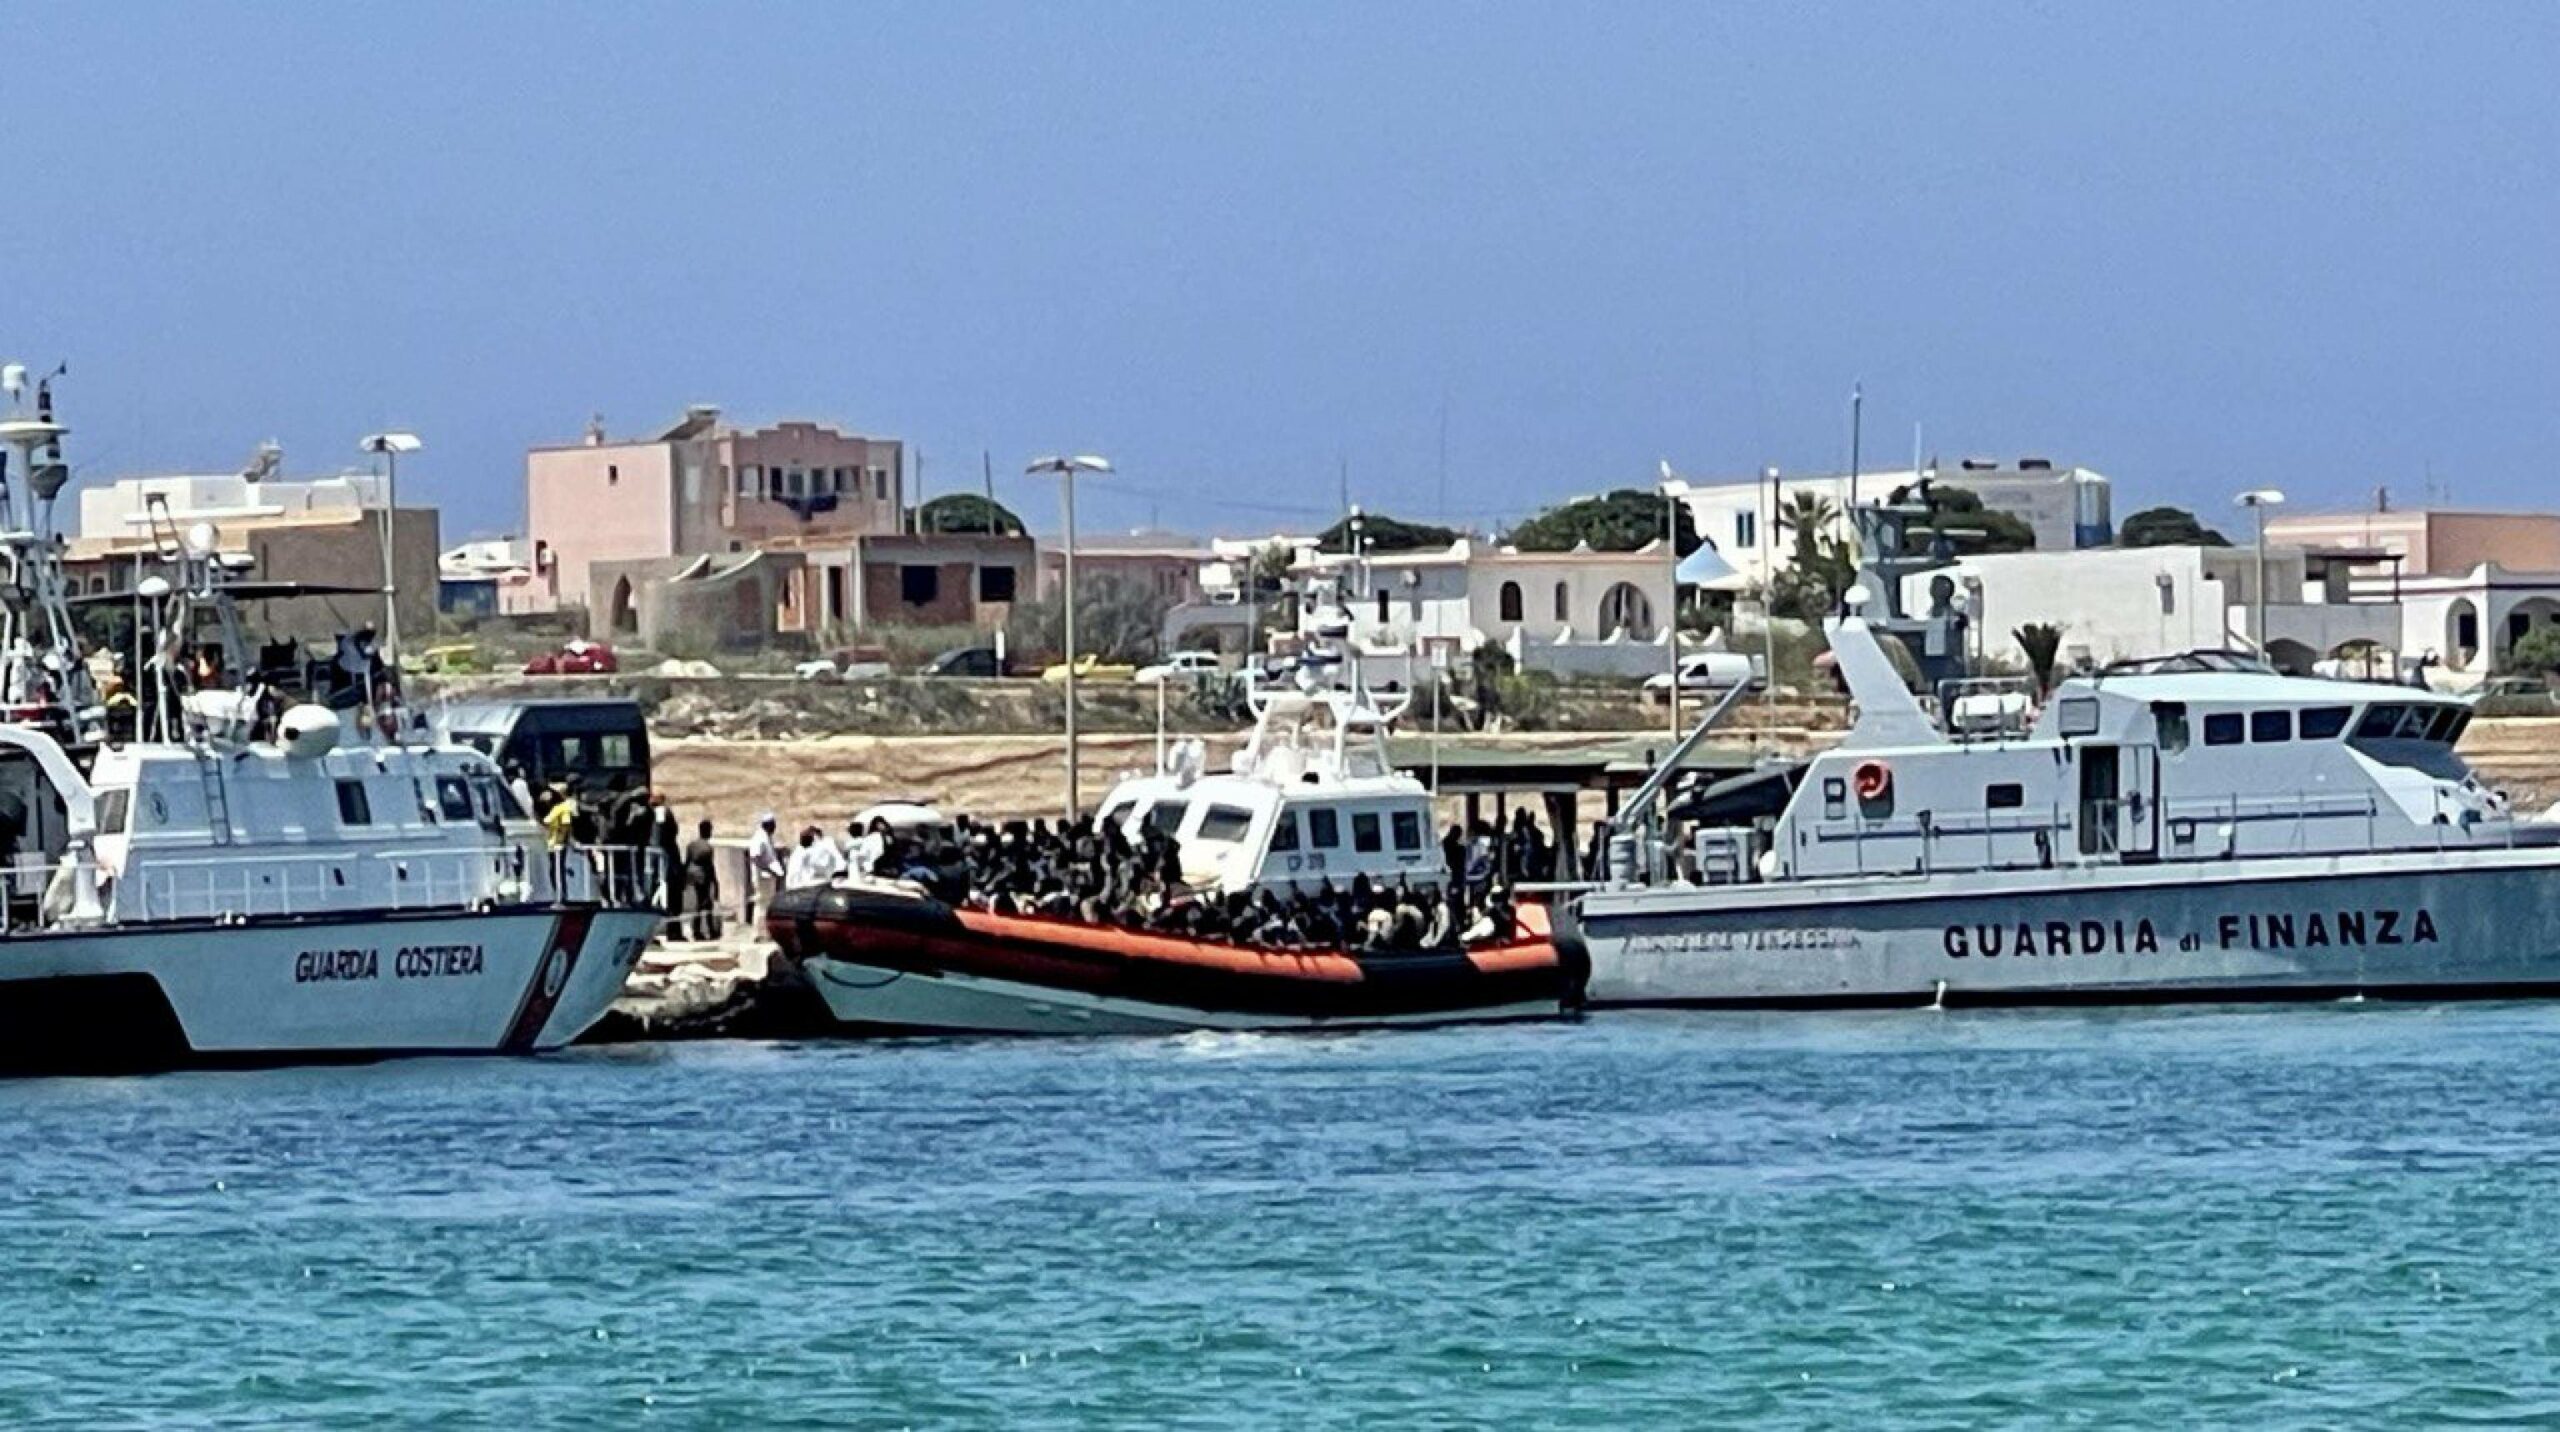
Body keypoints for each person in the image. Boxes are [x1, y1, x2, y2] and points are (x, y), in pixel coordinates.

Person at [682, 819, 721, 942]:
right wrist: (714, 882)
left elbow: (687, 861)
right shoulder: (707, 847)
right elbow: (709, 867)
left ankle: (698, 930)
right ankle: (707, 931)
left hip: (691, 875)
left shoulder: (691, 845)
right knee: (705, 904)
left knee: (699, 904)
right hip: (702, 877)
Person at [746, 812, 784, 920]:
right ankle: (759, 932)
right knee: (762, 905)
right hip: (762, 877)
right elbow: (755, 858)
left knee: (767, 904)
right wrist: (770, 870)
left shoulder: (766, 837)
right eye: (773, 825)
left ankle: (764, 931)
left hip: (767, 877)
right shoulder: (759, 838)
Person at [785, 825, 844, 891]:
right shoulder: (800, 851)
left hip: (825, 884)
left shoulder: (826, 844)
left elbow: (839, 863)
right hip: (807, 886)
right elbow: (794, 871)